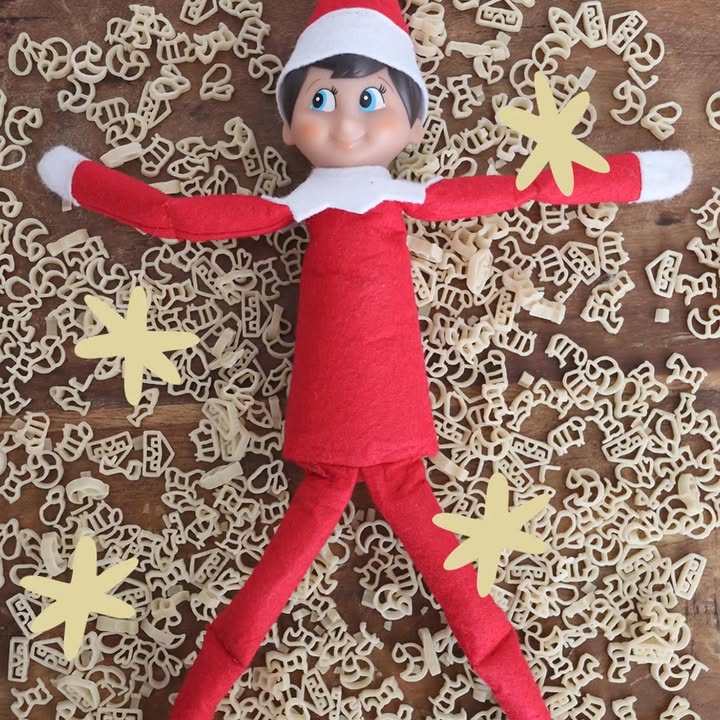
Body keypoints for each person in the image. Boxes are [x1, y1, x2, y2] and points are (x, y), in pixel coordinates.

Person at [37, 1, 693, 718]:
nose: (347, 124)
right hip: (348, 437)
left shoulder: (395, 197)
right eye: (322, 101)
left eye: (370, 100)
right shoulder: (303, 205)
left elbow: (530, 184)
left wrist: (637, 176)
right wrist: (77, 176)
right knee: (266, 611)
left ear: (413, 126)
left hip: (385, 434)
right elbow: (173, 218)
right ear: (288, 126)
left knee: (432, 615)